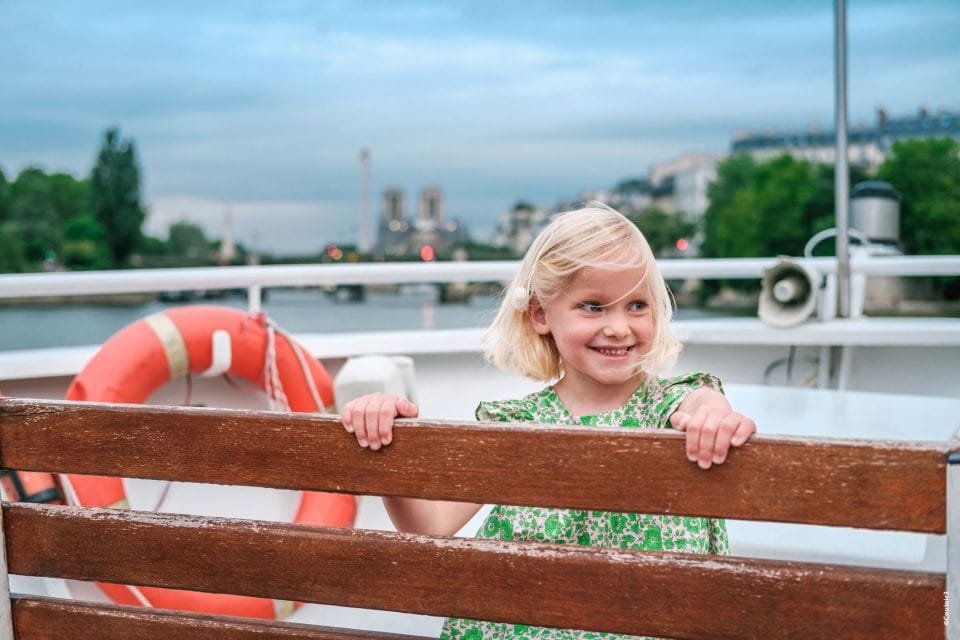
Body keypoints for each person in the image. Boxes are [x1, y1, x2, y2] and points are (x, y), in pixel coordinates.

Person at [340, 202, 757, 640]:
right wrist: (383, 436)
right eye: (593, 306)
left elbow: (703, 405)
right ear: (540, 315)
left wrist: (714, 419)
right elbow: (431, 525)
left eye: (637, 305)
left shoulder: (671, 407)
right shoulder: (516, 425)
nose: (619, 327)